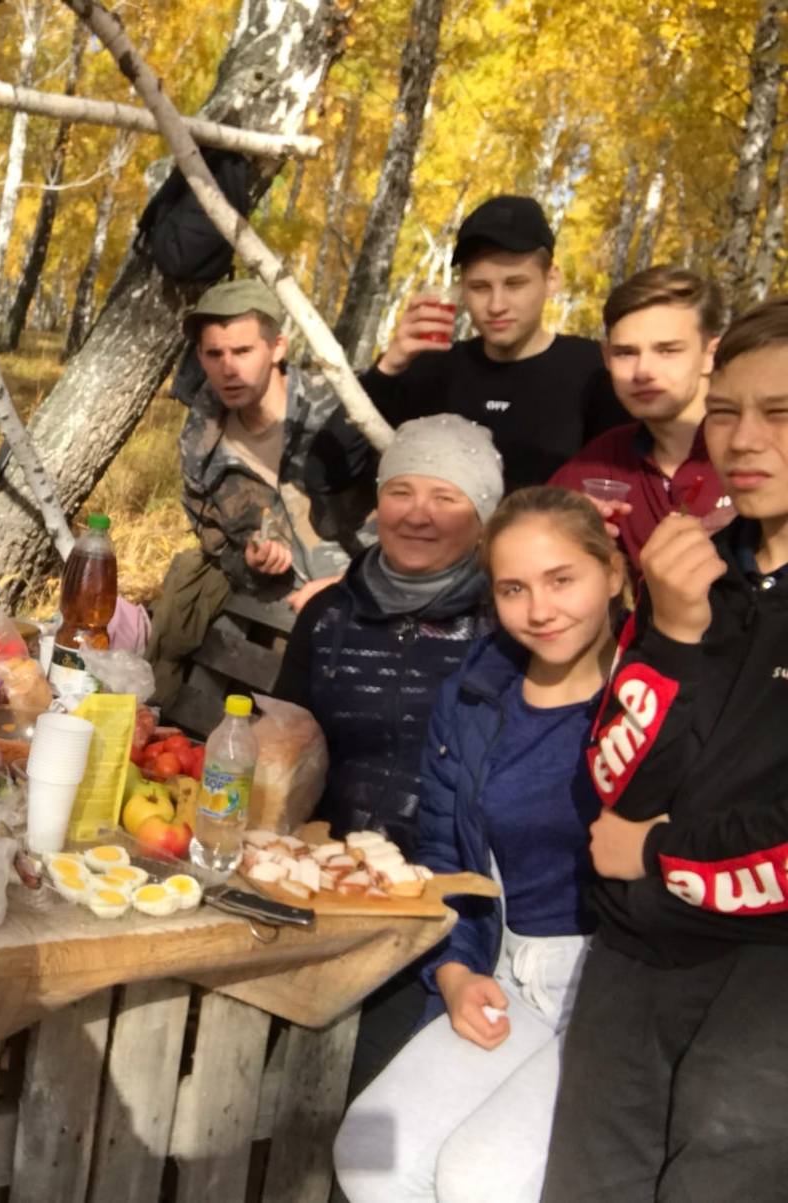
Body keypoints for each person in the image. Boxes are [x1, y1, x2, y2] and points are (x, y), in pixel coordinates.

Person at [542, 298, 788, 1199]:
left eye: (780, 413)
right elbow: (618, 776)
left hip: (765, 976)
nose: (744, 439)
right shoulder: (693, 572)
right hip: (634, 953)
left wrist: (659, 852)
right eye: (724, 411)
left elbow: (640, 832)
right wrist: (676, 636)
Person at [334, 486, 626, 1203]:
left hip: (614, 988)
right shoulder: (476, 691)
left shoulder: (650, 694)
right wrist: (457, 971)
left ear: (614, 572)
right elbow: (447, 852)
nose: (540, 609)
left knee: (480, 1180)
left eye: (562, 579)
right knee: (371, 1151)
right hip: (508, 965)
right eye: (513, 588)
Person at [273, 415, 500, 1098]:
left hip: (442, 905)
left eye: (446, 497)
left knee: (368, 1087)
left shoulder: (504, 625)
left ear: (483, 517)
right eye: (401, 491)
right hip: (323, 883)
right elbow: (283, 741)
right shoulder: (329, 615)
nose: (417, 515)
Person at [147, 278, 375, 708]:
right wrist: (252, 562)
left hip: (369, 616)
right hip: (276, 622)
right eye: (214, 354)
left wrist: (346, 585)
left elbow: (421, 522)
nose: (228, 369)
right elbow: (216, 542)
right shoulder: (202, 441)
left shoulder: (341, 412)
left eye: (243, 351)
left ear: (277, 348)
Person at [356, 195, 624, 489]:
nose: (496, 305)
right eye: (480, 287)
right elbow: (332, 474)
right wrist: (387, 369)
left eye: (515, 284)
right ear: (462, 290)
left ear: (551, 280)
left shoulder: (594, 372)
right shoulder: (433, 369)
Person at [550, 265, 733, 572]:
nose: (643, 371)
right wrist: (563, 533)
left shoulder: (758, 449)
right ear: (606, 358)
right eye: (626, 353)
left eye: (667, 350)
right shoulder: (601, 462)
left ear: (710, 355)